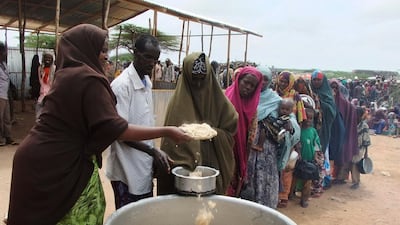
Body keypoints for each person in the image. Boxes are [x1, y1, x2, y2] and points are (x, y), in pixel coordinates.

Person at [7, 24, 191, 225]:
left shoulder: (67, 75)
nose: (106, 56)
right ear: (84, 49)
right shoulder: (89, 80)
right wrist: (167, 132)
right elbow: (116, 129)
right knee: (84, 215)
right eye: (101, 50)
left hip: (40, 159)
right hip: (56, 163)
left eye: (107, 51)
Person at [157, 52, 238, 195]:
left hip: (213, 167)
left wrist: (213, 133)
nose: (199, 85)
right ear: (187, 79)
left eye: (203, 80)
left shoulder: (219, 102)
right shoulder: (177, 105)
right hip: (184, 173)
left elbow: (230, 129)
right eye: (194, 80)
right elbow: (170, 147)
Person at [106, 34, 171, 209]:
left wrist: (152, 153)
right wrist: (152, 151)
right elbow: (119, 132)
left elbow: (145, 125)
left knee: (144, 215)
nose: (152, 63)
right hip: (126, 168)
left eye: (155, 60)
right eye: (147, 57)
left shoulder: (147, 82)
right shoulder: (122, 86)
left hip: (143, 164)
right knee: (129, 217)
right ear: (135, 53)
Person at [240, 66, 297, 208]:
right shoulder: (245, 97)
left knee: (266, 183)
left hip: (267, 152)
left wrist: (289, 126)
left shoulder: (276, 100)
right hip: (247, 150)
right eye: (260, 78)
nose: (263, 82)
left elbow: (292, 121)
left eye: (266, 79)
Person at [225, 66, 263, 197]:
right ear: (239, 80)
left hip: (241, 150)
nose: (248, 87)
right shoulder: (226, 99)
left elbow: (251, 131)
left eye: (252, 86)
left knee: (236, 184)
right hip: (224, 148)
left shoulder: (253, 106)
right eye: (245, 82)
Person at [310, 70, 337, 195]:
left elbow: (332, 113)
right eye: (314, 80)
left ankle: (320, 182)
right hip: (309, 128)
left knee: (319, 156)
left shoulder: (327, 95)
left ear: (323, 81)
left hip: (322, 130)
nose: (316, 82)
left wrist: (319, 102)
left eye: (318, 80)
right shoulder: (308, 91)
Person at [295, 107, 321, 208]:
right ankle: (292, 195)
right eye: (307, 118)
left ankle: (304, 199)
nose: (308, 121)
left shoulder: (313, 131)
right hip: (300, 159)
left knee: (308, 181)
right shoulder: (299, 130)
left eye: (311, 118)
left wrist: (316, 157)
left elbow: (316, 144)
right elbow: (296, 142)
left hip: (310, 160)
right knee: (297, 178)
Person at [0, 41, 17, 146]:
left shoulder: (4, 65)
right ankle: (0, 139)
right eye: (3, 52)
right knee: (0, 117)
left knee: (7, 117)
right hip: (0, 94)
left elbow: (7, 79)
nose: (4, 54)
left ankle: (8, 137)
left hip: (5, 94)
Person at [350, 107, 371, 189]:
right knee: (347, 162)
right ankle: (342, 177)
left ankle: (356, 181)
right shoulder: (351, 123)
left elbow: (366, 140)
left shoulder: (364, 126)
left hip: (359, 148)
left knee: (355, 163)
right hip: (351, 146)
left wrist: (366, 153)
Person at [36, 51, 56, 118]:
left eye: (49, 58)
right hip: (42, 93)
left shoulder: (54, 68)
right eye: (46, 58)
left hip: (51, 93)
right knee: (39, 112)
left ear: (52, 59)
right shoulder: (40, 68)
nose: (48, 59)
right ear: (43, 59)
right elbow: (40, 80)